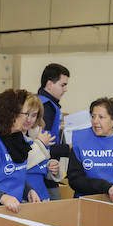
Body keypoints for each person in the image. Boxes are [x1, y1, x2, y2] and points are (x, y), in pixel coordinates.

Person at [37, 63, 72, 200]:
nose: (66, 89)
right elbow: (42, 147)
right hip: (44, 172)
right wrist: (69, 149)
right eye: (63, 85)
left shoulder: (41, 102)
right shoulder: (47, 107)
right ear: (50, 84)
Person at [20, 93, 60, 202]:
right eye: (26, 114)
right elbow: (20, 164)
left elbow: (41, 166)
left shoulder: (38, 135)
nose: (29, 120)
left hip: (41, 195)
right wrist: (40, 144)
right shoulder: (12, 138)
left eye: (34, 115)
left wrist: (52, 167)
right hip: (21, 198)